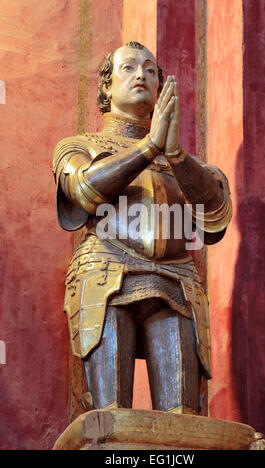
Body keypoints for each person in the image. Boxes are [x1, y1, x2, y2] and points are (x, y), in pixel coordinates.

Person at [53, 41, 232, 415]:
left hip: (177, 279)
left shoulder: (190, 165)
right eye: (130, 68)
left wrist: (176, 155)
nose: (142, 75)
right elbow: (85, 190)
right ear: (107, 86)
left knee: (182, 422)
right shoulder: (80, 146)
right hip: (106, 274)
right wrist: (150, 148)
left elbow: (215, 217)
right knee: (109, 418)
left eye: (151, 70)